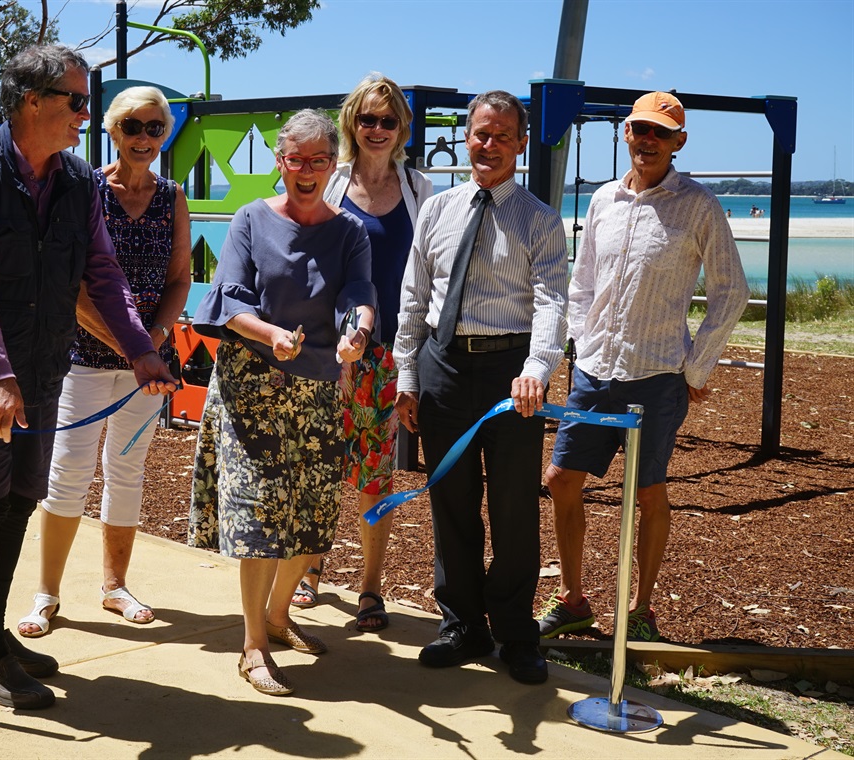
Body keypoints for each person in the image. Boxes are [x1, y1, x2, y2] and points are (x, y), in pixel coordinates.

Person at [0, 45, 175, 710]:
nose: (85, 113)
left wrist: (138, 350)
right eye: (76, 99)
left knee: (16, 505)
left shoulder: (76, 181)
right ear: (32, 99)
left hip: (39, 372)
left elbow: (103, 272)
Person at [539, 91, 748, 643]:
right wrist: (580, 341)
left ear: (679, 142)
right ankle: (574, 599)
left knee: (649, 492)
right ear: (624, 135)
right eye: (639, 130)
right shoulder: (603, 200)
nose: (648, 141)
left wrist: (696, 367)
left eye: (661, 133)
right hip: (593, 370)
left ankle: (641, 610)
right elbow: (581, 282)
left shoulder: (698, 205)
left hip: (656, 376)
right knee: (560, 479)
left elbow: (731, 291)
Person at [188, 109, 376, 695]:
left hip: (317, 388)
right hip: (251, 389)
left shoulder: (350, 231)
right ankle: (253, 644)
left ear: (333, 165)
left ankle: (277, 616)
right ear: (280, 161)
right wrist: (270, 334)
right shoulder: (249, 220)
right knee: (259, 516)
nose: (308, 171)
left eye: (320, 160)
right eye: (297, 159)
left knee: (312, 517)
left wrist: (359, 332)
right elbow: (230, 299)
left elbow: (360, 294)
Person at [393, 90, 567, 685]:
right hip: (443, 370)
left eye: (501, 136)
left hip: (511, 376)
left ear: (521, 143)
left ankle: (516, 634)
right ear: (466, 138)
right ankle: (463, 625)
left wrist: (538, 369)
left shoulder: (539, 220)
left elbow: (551, 303)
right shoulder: (437, 211)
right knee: (452, 502)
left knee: (515, 506)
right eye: (479, 134)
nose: (488, 145)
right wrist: (407, 376)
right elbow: (413, 299)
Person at [16, 86, 191, 638]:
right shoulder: (84, 189)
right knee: (67, 472)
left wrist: (154, 340)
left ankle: (115, 586)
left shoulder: (172, 197)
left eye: (155, 128)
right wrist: (134, 349)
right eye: (132, 127)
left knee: (127, 472)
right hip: (85, 360)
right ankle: (46, 594)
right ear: (112, 131)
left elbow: (179, 278)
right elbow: (70, 287)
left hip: (148, 366)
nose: (144, 138)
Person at [289, 73, 433, 632]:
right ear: (351, 123)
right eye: (367, 119)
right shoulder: (331, 183)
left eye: (388, 120)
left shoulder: (419, 191)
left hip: (392, 350)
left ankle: (371, 588)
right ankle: (310, 568)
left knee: (375, 473)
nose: (376, 129)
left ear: (401, 128)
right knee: (319, 462)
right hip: (330, 347)